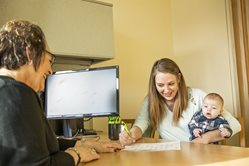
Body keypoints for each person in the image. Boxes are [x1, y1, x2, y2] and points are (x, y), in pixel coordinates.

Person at [0, 20, 122, 166]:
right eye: (49, 60)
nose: (50, 70)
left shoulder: (7, 91)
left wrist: (82, 144)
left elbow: (38, 145)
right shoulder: (16, 93)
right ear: (29, 53)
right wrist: (75, 155)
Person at [119, 58, 241, 145]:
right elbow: (140, 125)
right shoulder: (150, 101)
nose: (166, 90)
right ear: (154, 83)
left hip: (203, 154)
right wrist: (130, 135)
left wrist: (205, 138)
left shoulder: (198, 96)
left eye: (171, 84)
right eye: (160, 85)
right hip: (173, 158)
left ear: (179, 78)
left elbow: (235, 125)